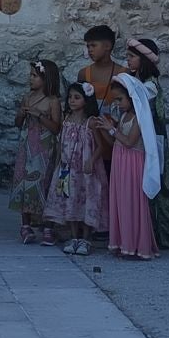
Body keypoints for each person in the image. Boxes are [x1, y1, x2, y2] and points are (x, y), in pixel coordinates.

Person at [122, 38, 169, 250]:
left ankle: (161, 236)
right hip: (139, 140)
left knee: (158, 185)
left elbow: (139, 101)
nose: (127, 60)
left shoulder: (149, 85)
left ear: (144, 60)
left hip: (153, 140)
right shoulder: (135, 80)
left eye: (132, 56)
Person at [44, 83, 106, 256]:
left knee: (85, 200)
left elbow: (100, 146)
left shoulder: (90, 122)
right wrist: (58, 163)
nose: (72, 100)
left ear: (86, 100)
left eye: (77, 97)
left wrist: (91, 161)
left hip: (85, 171)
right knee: (69, 200)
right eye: (70, 97)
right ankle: (73, 236)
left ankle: (86, 238)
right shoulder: (66, 120)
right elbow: (61, 143)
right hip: (67, 169)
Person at [9, 59, 61, 245]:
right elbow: (17, 123)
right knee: (24, 181)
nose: (30, 79)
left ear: (46, 79)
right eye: (30, 75)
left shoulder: (53, 101)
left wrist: (39, 115)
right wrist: (22, 114)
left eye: (35, 76)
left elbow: (56, 128)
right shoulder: (27, 98)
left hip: (44, 148)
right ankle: (25, 225)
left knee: (45, 183)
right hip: (27, 146)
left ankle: (47, 225)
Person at [104, 83, 157, 260]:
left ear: (132, 97)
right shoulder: (125, 115)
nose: (117, 103)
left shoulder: (139, 118)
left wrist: (110, 129)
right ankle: (123, 242)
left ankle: (136, 245)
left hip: (132, 163)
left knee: (132, 201)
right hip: (120, 161)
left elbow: (129, 142)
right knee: (121, 200)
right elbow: (117, 141)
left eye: (120, 99)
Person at [78, 24, 119, 102]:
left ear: (107, 46)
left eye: (93, 45)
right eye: (88, 46)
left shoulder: (123, 73)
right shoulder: (83, 74)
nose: (90, 50)